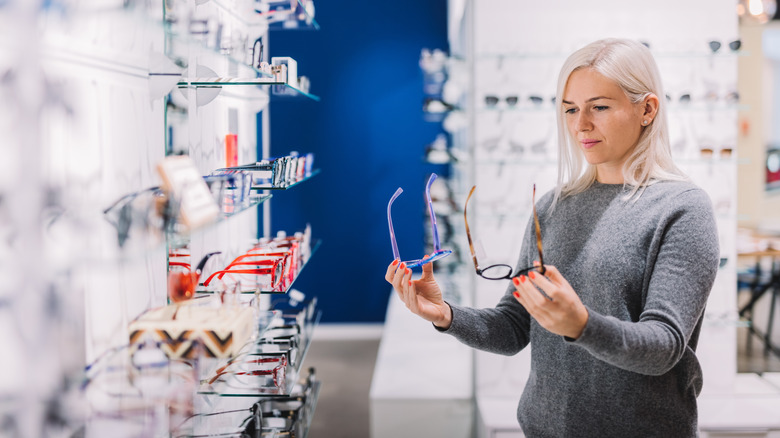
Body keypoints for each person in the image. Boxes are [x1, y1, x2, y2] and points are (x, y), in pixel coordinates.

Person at [385, 38, 720, 438]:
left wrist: (581, 324)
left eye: (599, 107)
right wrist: (447, 316)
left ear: (647, 109)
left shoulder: (682, 209)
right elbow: (514, 327)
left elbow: (663, 347)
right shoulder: (552, 206)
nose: (580, 125)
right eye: (570, 109)